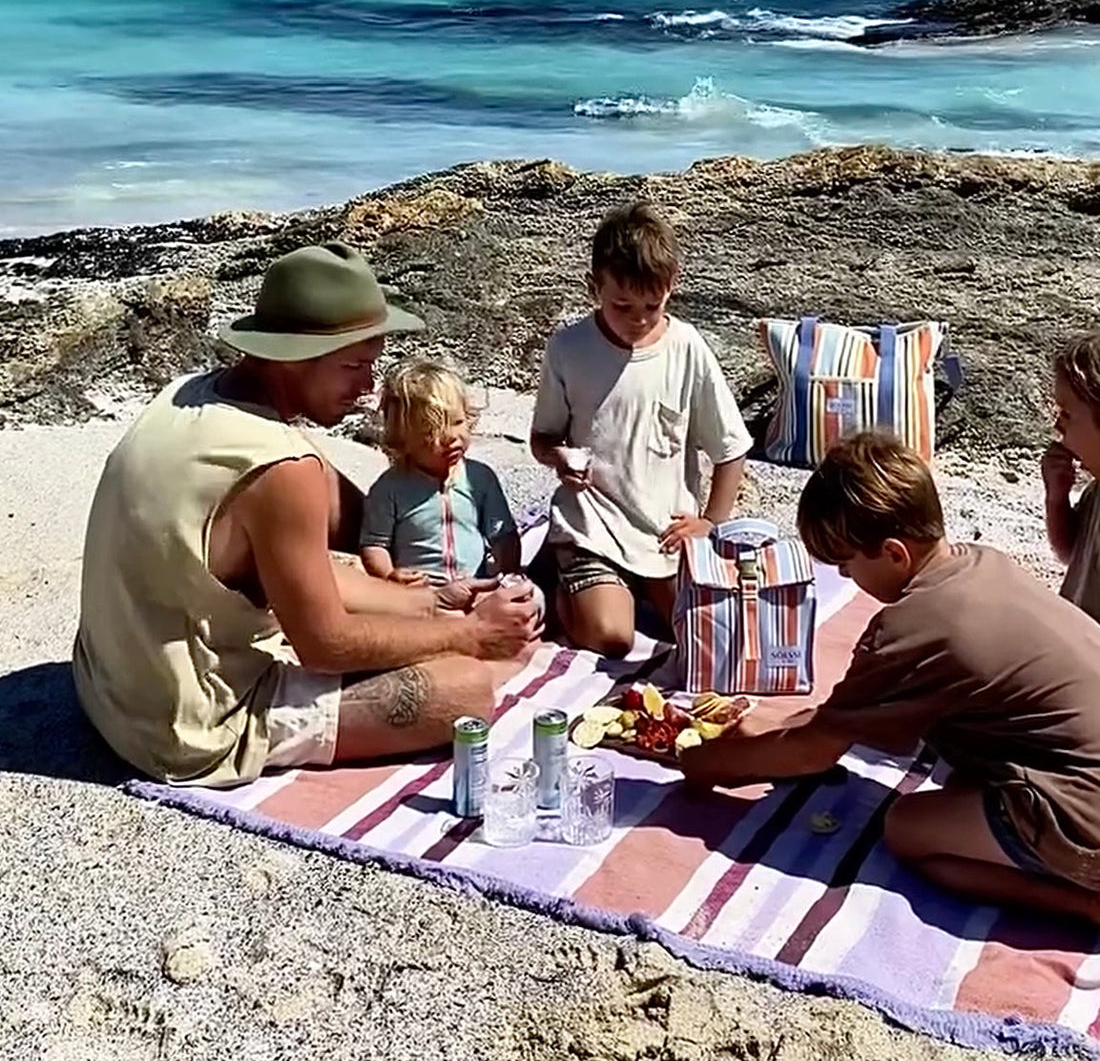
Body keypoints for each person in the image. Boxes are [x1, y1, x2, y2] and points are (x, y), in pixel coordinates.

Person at [73, 242, 540, 788]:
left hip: (105, 681)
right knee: (464, 690)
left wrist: (432, 600)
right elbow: (325, 645)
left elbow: (335, 528)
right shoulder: (278, 467)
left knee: (315, 482)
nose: (368, 388)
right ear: (292, 356)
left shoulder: (191, 395)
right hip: (177, 726)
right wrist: (470, 635)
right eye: (354, 366)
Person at [681, 431, 1100, 923]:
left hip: (1085, 813)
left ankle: (1084, 904)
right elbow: (846, 714)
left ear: (894, 554)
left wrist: (708, 763)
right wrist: (778, 728)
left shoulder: (912, 627)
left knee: (908, 829)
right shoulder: (985, 563)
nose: (847, 577)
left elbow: (815, 749)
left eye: (847, 563)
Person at [529, 201, 752, 658]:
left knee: (704, 642)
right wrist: (559, 458)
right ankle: (562, 581)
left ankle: (624, 590)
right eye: (622, 305)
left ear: (673, 285)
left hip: (664, 533)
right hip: (593, 525)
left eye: (652, 305)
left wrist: (710, 522)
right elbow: (542, 438)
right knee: (613, 638)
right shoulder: (569, 348)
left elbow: (731, 447)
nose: (638, 318)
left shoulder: (686, 348)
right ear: (595, 287)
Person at [360, 358, 521, 595]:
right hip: (422, 593)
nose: (451, 437)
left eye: (458, 422)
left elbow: (503, 536)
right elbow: (374, 545)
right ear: (404, 439)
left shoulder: (480, 479)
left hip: (476, 586)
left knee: (533, 599)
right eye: (432, 431)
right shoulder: (390, 488)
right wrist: (389, 574)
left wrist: (508, 575)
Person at [1043, 331, 1100, 625]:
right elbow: (1069, 552)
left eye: (1067, 414)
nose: (1057, 425)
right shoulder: (1095, 491)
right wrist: (1057, 496)